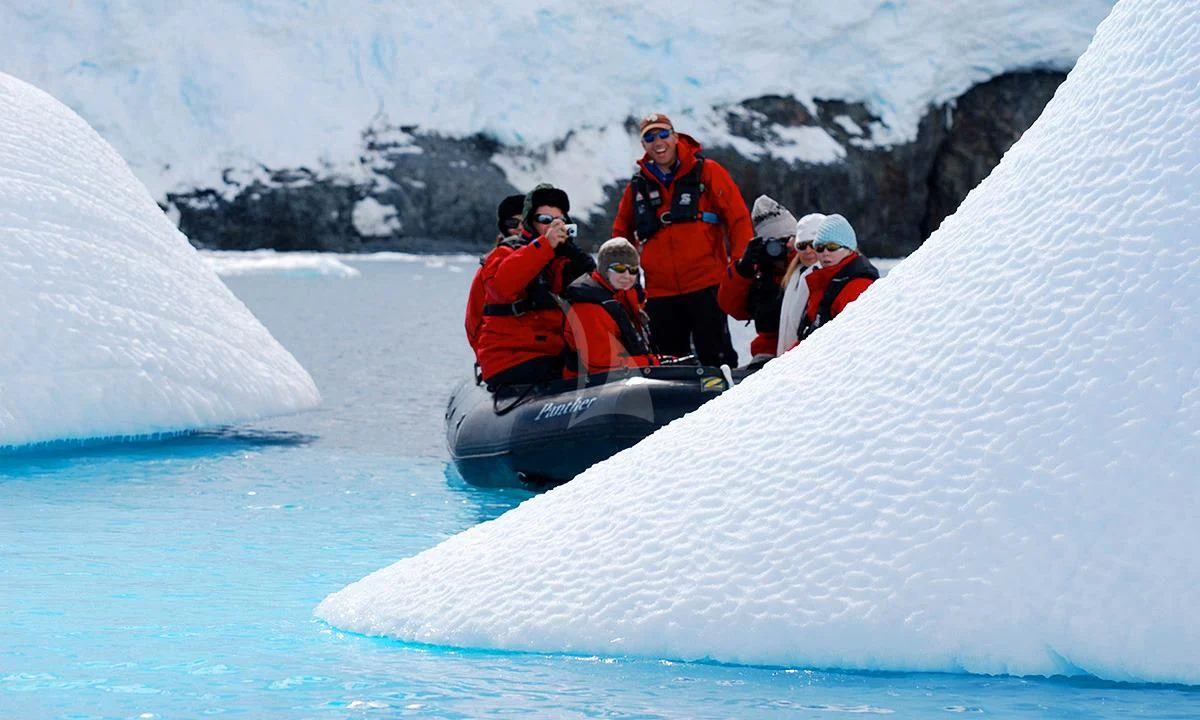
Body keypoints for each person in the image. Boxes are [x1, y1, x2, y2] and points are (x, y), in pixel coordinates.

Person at [611, 112, 753, 368]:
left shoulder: (707, 171)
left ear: (675, 137)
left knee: (717, 359)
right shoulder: (637, 187)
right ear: (643, 145)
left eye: (663, 134)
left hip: (707, 285)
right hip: (659, 293)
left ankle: (730, 404)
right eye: (650, 137)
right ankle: (679, 410)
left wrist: (740, 263)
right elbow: (620, 235)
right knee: (669, 365)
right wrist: (623, 273)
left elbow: (738, 217)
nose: (658, 141)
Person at [475, 184, 595, 388]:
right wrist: (544, 246)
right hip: (513, 358)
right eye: (545, 220)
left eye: (559, 221)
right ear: (531, 223)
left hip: (554, 354)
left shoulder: (567, 261)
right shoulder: (503, 255)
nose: (552, 226)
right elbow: (503, 287)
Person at [717, 195, 798, 368]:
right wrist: (741, 270)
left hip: (799, 347)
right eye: (772, 243)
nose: (778, 249)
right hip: (767, 350)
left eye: (787, 240)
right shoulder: (759, 271)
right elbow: (732, 308)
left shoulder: (807, 262)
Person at [563, 238, 659, 377]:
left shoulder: (624, 296)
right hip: (588, 386)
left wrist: (659, 361)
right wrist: (650, 363)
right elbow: (601, 364)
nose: (627, 275)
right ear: (603, 269)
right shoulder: (588, 306)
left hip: (624, 377)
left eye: (633, 270)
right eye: (619, 268)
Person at [796, 214, 879, 342]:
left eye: (832, 247)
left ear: (850, 249)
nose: (825, 252)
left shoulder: (858, 285)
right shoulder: (823, 281)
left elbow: (846, 341)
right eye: (819, 247)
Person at [465, 193, 526, 357]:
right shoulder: (489, 268)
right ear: (503, 226)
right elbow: (474, 321)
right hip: (505, 357)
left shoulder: (551, 258)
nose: (520, 228)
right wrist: (486, 356)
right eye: (513, 222)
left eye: (525, 222)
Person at [776, 212, 826, 355]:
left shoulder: (825, 276)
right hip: (788, 359)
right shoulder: (794, 275)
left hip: (805, 359)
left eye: (814, 244)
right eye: (802, 245)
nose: (808, 251)